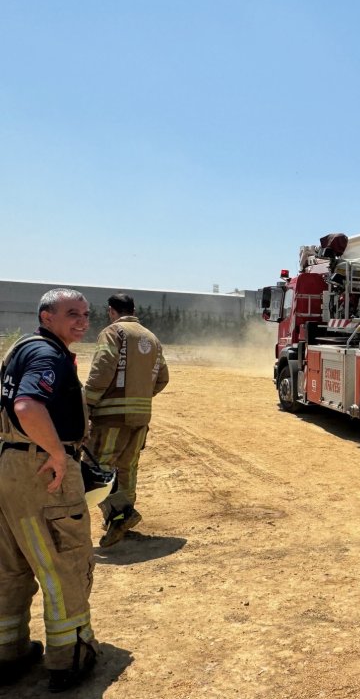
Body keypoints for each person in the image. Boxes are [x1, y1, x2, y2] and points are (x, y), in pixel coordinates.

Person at [0, 288, 99, 692]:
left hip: (11, 467)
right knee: (64, 562)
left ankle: (8, 651)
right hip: (41, 471)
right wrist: (57, 453)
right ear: (46, 317)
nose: (81, 320)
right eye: (71, 313)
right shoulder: (48, 355)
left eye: (86, 314)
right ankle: (68, 657)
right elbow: (27, 406)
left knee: (11, 566)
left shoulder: (21, 349)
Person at [85, 293, 169, 548]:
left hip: (111, 416)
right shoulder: (151, 338)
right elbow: (163, 378)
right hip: (141, 417)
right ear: (134, 309)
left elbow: (102, 370)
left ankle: (120, 513)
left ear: (111, 311)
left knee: (94, 467)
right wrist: (142, 395)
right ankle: (119, 520)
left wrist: (86, 403)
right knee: (127, 467)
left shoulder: (113, 332)